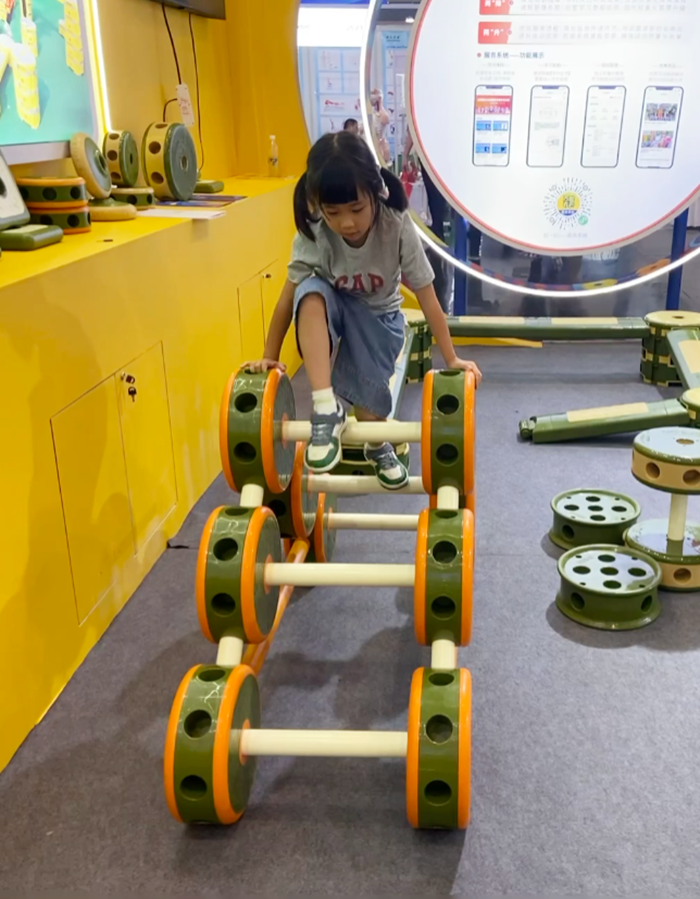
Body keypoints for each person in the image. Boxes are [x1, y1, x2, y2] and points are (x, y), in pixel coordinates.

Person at [247, 132, 482, 491]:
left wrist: (451, 358)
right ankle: (325, 407)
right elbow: (286, 297)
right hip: (336, 308)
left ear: (376, 192)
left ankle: (378, 445)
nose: (346, 223)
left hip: (380, 318)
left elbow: (427, 296)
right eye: (333, 212)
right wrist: (270, 355)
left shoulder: (395, 223)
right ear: (317, 203)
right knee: (309, 293)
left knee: (369, 414)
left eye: (356, 209)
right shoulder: (315, 231)